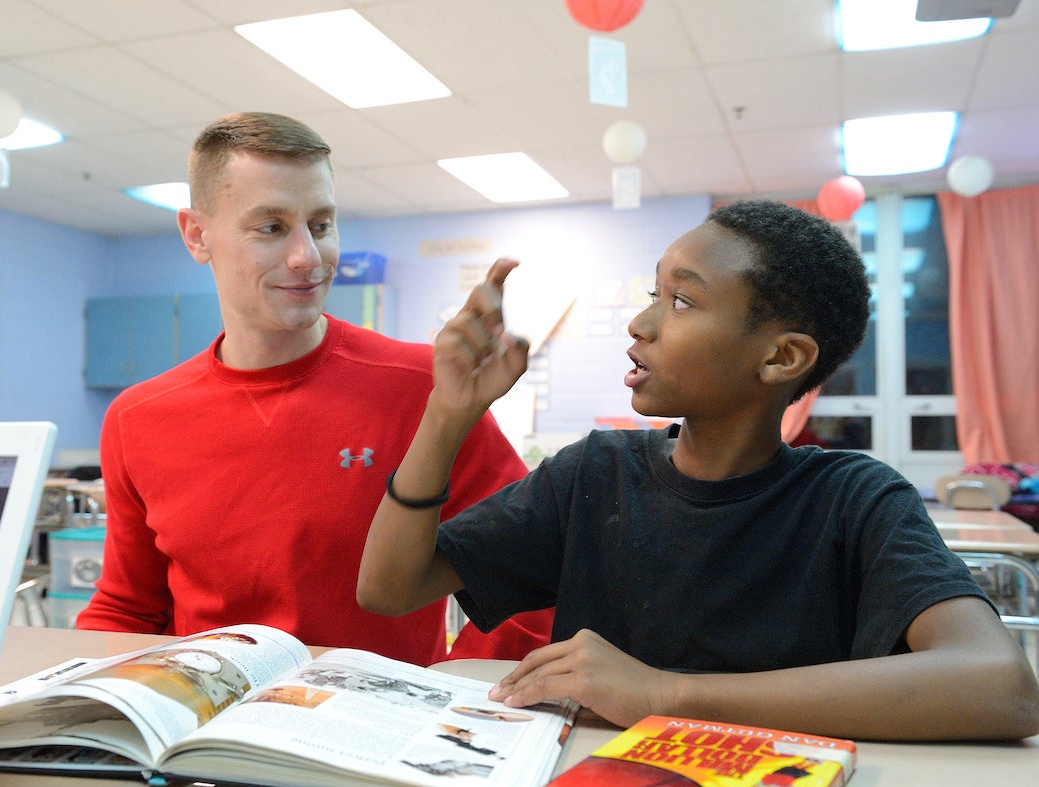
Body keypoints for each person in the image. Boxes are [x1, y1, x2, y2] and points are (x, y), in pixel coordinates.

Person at [357, 199, 1039, 740]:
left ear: (781, 358)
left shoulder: (853, 498)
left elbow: (999, 685)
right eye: (653, 292)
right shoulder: (596, 473)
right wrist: (448, 413)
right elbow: (390, 586)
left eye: (680, 301)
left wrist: (665, 693)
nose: (641, 323)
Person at [76, 111, 551, 666]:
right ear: (197, 235)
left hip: (380, 732)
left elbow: (531, 569)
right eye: (271, 228)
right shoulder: (139, 417)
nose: (308, 257)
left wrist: (460, 690)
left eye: (321, 225)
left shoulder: (428, 389)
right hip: (207, 729)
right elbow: (128, 607)